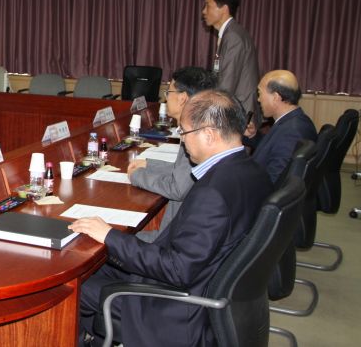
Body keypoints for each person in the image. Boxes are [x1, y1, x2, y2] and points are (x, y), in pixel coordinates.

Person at [72, 90, 272, 347]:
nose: (182, 139)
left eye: (184, 132)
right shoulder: (254, 172)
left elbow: (177, 269)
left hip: (177, 309)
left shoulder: (213, 193)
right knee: (96, 264)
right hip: (206, 283)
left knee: (74, 287)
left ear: (208, 135)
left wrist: (109, 235)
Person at [126, 66, 217, 241]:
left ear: (183, 98)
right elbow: (185, 171)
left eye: (168, 92)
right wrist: (149, 164)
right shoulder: (203, 127)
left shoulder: (194, 136)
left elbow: (177, 188)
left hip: (172, 240)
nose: (165, 97)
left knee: (110, 240)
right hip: (185, 233)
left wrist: (136, 176)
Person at [201, 0, 261, 126]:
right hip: (235, 111)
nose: (203, 11)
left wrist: (208, 114)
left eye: (207, 5)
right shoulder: (230, 33)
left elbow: (227, 85)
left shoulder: (233, 36)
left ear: (224, 8)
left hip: (240, 115)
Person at [245, 69, 317, 184]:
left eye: (260, 93)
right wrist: (253, 135)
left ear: (275, 97)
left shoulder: (292, 133)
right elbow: (273, 149)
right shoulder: (294, 121)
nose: (258, 100)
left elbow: (274, 181)